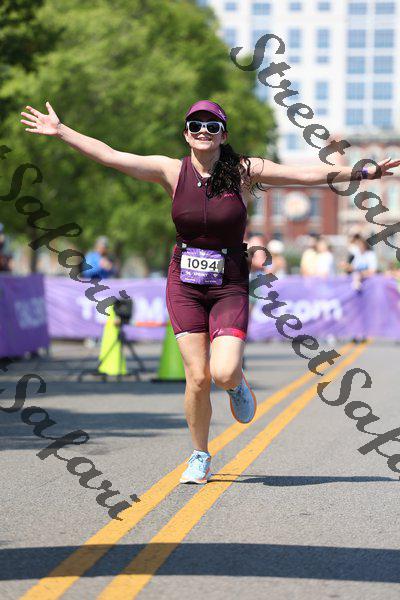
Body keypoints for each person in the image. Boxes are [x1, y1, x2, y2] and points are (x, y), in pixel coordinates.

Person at [20, 99, 399, 484]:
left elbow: (304, 175)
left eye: (212, 126)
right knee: (198, 377)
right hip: (184, 284)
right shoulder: (171, 170)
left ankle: (236, 385)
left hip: (229, 282)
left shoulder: (244, 170)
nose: (203, 131)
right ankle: (200, 455)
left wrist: (361, 171)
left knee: (223, 371)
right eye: (196, 125)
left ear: (223, 135)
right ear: (186, 134)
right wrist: (61, 131)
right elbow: (111, 155)